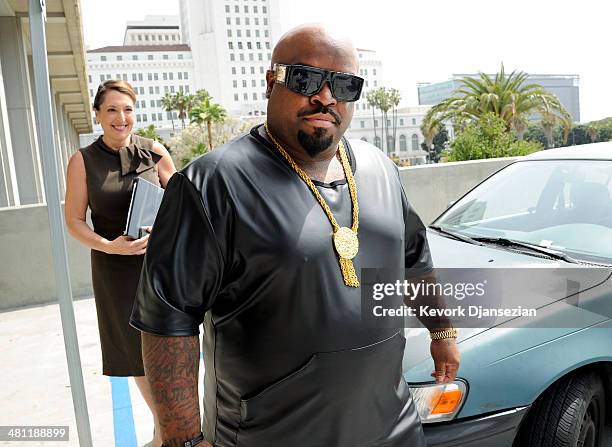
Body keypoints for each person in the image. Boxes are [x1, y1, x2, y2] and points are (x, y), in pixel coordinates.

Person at [130, 25, 460, 447]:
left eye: (344, 85)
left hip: (390, 426)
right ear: (272, 81)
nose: (326, 97)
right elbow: (168, 319)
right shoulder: (212, 183)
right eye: (306, 79)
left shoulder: (381, 169)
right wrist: (184, 440)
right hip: (270, 435)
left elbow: (414, 260)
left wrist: (442, 331)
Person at [65, 79, 176, 447]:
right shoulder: (83, 161)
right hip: (115, 271)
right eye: (111, 109)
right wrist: (108, 246)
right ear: (97, 114)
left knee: (171, 344)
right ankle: (164, 430)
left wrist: (161, 231)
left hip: (159, 267)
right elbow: (74, 221)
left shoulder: (155, 152)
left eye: (127, 109)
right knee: (136, 352)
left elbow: (181, 206)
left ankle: (167, 430)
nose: (121, 117)